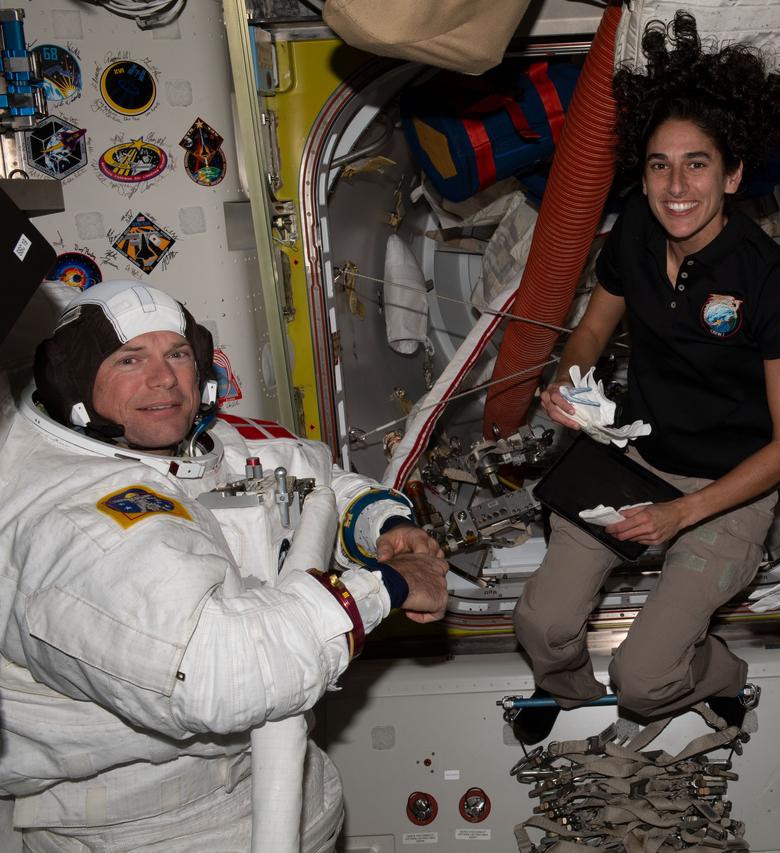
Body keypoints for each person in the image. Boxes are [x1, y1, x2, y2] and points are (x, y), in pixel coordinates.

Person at [0, 280, 449, 851]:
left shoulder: (201, 443)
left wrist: (383, 528)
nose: (164, 379)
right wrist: (387, 585)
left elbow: (311, 480)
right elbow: (225, 671)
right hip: (146, 829)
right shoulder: (71, 527)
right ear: (73, 380)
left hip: (287, 799)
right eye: (129, 360)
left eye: (178, 355)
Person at [510, 12, 780, 743]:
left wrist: (684, 515)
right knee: (541, 624)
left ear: (733, 173)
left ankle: (717, 674)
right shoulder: (640, 232)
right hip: (637, 457)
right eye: (657, 164)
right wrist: (572, 387)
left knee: (644, 684)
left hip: (730, 486)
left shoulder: (770, 280)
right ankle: (574, 696)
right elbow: (590, 329)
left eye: (697, 163)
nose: (675, 185)